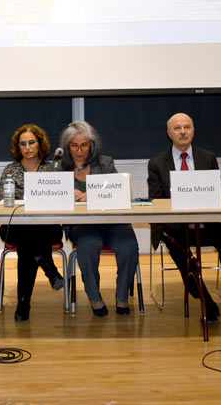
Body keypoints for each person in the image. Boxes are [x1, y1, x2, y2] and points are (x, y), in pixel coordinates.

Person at [147, 113, 221, 328]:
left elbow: (220, 194)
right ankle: (205, 299)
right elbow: (156, 201)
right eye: (177, 128)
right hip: (177, 226)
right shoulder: (157, 163)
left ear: (193, 131)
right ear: (169, 134)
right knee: (176, 245)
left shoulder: (208, 158)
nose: (183, 132)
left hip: (208, 223)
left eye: (187, 127)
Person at [59, 121, 138, 317]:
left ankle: (122, 297)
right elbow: (52, 199)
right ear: (67, 146)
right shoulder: (59, 167)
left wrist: (93, 195)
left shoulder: (105, 163)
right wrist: (66, 195)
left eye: (84, 145)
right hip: (82, 226)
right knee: (87, 247)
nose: (79, 150)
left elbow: (120, 192)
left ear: (92, 145)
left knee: (128, 245)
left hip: (113, 221)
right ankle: (95, 298)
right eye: (74, 145)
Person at [0, 124, 64, 322]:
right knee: (29, 239)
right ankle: (49, 269)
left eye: (31, 143)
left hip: (47, 227)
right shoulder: (10, 170)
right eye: (23, 144)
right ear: (18, 147)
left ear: (39, 144)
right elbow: (2, 200)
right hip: (15, 227)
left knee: (27, 246)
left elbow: (60, 201)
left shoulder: (52, 169)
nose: (27, 147)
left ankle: (23, 304)